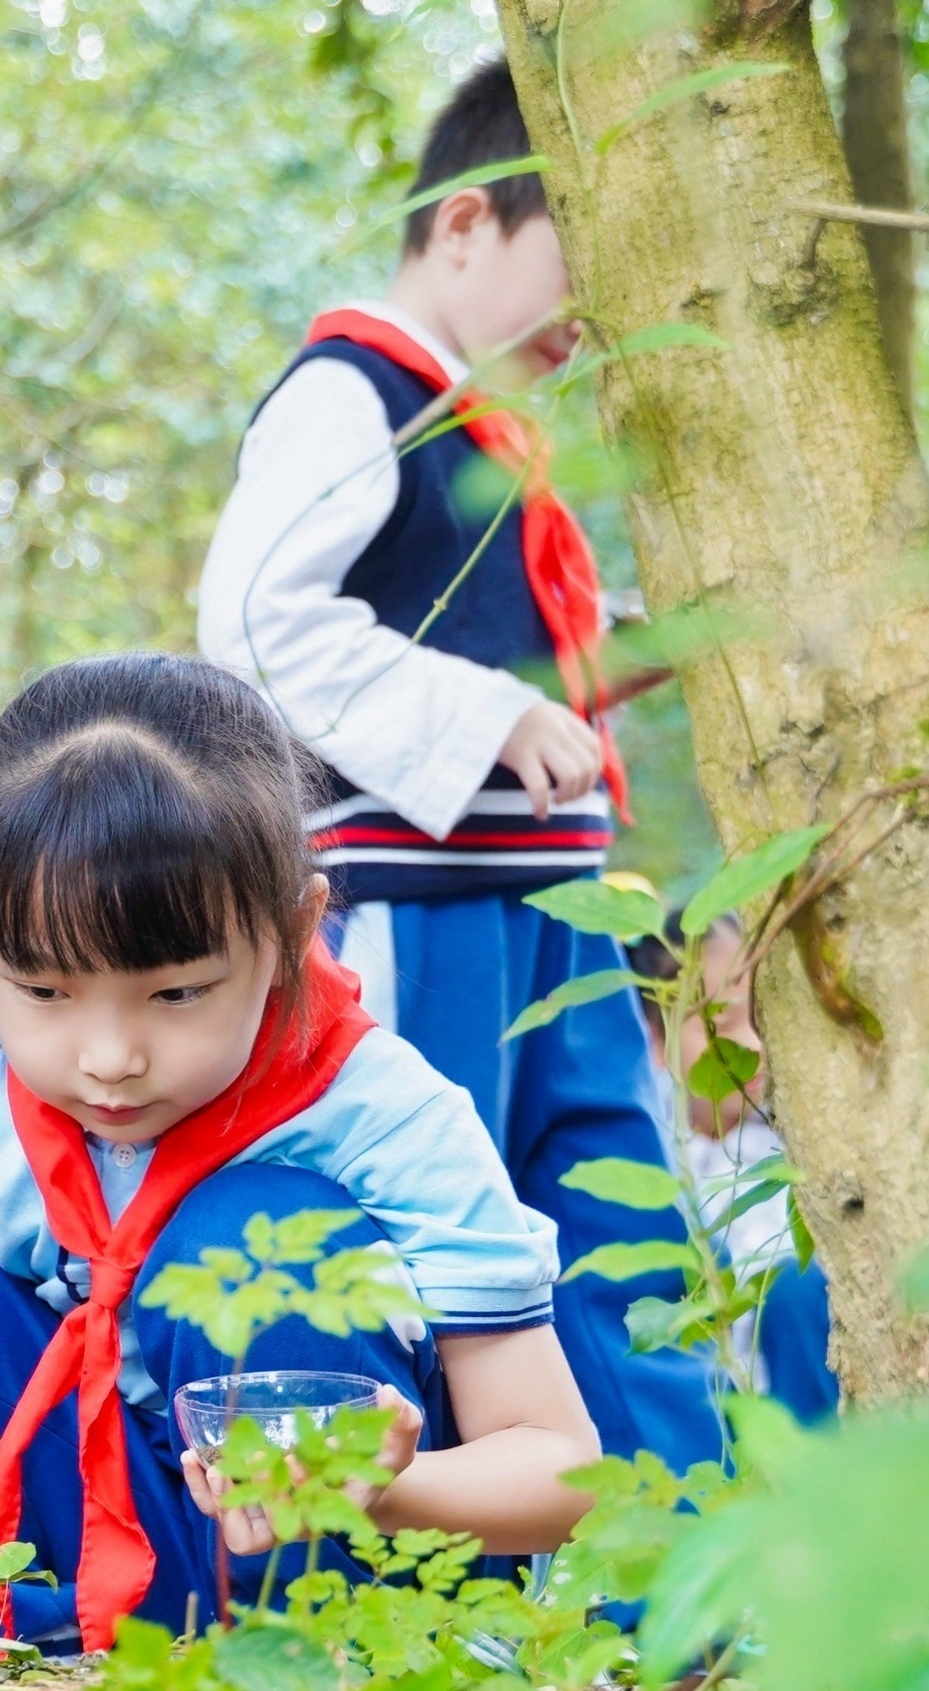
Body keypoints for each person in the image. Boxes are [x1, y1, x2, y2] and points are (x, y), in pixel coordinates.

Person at [0, 655, 597, 1649]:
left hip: (349, 1580)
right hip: (119, 1538)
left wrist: (385, 1486)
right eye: (43, 990)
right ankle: (5, 1653)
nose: (110, 1058)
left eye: (176, 993)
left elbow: (557, 1461)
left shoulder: (382, 1114)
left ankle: (317, 1682)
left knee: (251, 1226)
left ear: (292, 923)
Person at [194, 57, 726, 1479]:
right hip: (415, 904)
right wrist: (488, 712)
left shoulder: (494, 441)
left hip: (560, 903)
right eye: (573, 264)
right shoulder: (349, 392)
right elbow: (254, 618)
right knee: (426, 1230)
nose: (586, 313)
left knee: (625, 1218)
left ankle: (674, 1572)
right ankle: (440, 1571)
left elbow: (529, 657)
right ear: (467, 226)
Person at [633, 914, 838, 1422]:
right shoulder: (650, 1155)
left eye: (763, 1020)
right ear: (654, 1038)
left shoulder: (805, 1136)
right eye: (720, 1026)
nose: (752, 1046)